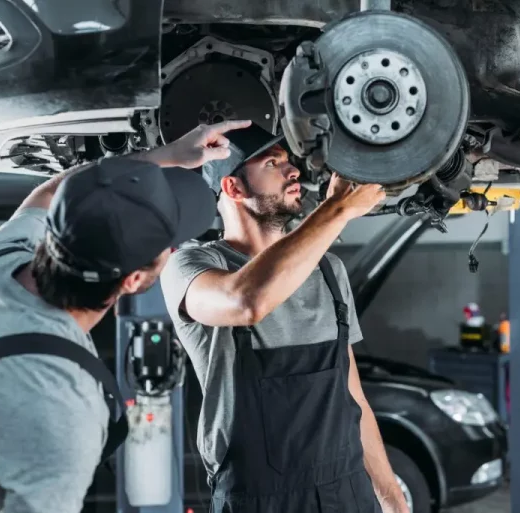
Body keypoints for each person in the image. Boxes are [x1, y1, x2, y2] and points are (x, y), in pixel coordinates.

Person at [0, 120, 251, 513]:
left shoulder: (0, 263)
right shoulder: (61, 412)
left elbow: (51, 191)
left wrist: (163, 157)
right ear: (134, 280)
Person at [160, 123, 410, 513]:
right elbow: (246, 303)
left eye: (289, 162)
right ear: (233, 189)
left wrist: (392, 498)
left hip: (346, 492)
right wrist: (337, 208)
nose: (293, 171)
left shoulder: (329, 270)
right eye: (272, 163)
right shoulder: (192, 265)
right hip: (259, 499)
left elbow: (352, 396)